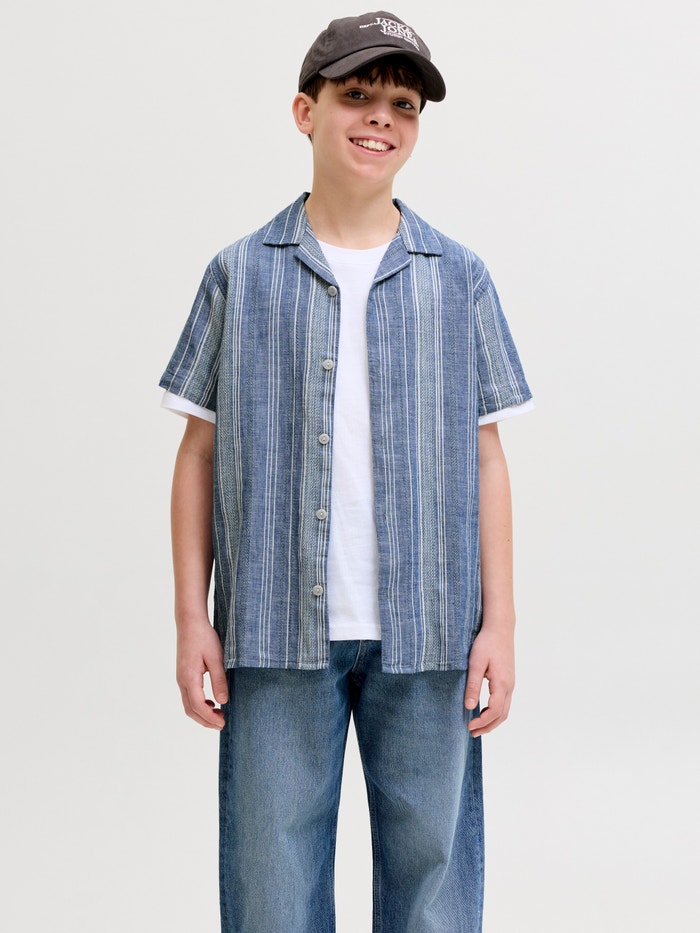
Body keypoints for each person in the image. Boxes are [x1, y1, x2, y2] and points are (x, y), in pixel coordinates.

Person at [159, 11, 532, 932]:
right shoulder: (241, 273)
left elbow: (488, 456)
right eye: (357, 95)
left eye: (403, 105)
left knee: (435, 887)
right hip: (274, 629)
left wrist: (501, 622)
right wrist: (192, 618)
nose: (380, 119)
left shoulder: (458, 278)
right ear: (305, 111)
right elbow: (198, 453)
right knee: (271, 887)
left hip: (432, 633)